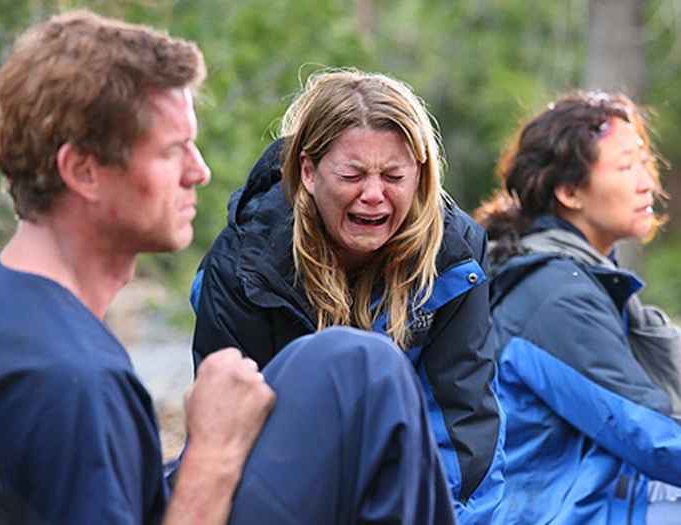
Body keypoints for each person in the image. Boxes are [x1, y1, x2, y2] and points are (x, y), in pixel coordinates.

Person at [0, 10, 456, 525]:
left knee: (351, 362)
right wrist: (212, 450)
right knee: (376, 374)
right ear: (83, 171)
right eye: (171, 150)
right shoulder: (72, 382)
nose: (199, 171)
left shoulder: (6, 310)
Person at [191, 68, 505, 523]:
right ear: (310, 172)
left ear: (419, 176)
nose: (374, 195)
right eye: (352, 174)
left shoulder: (454, 258)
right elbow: (234, 439)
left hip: (413, 491)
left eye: (394, 176)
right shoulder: (243, 268)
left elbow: (463, 429)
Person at [474, 91, 681, 524]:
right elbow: (654, 436)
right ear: (569, 191)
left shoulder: (579, 275)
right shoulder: (555, 293)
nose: (647, 181)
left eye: (644, 161)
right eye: (625, 167)